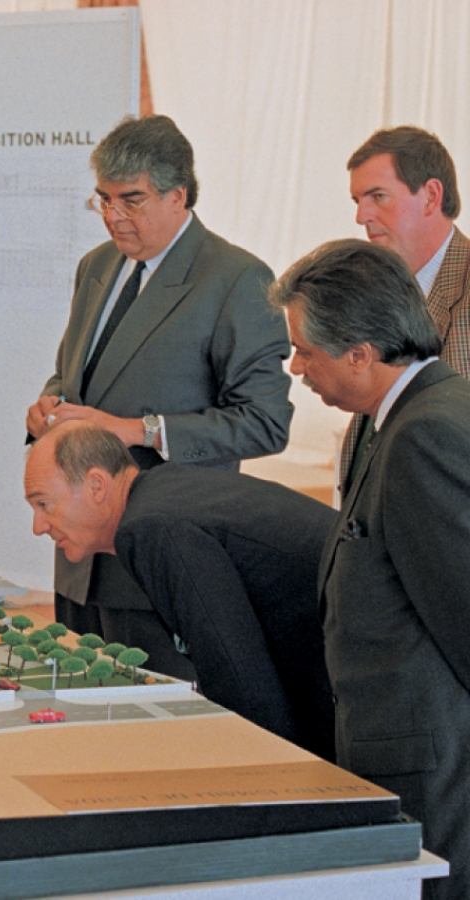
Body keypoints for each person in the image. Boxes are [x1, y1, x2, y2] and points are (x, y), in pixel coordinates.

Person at [25, 115, 293, 679]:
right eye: (102, 199)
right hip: (78, 558)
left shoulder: (237, 278)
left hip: (160, 558)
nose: (114, 216)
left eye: (132, 200)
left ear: (180, 195)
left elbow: (265, 422)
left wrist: (135, 429)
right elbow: (72, 376)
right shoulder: (95, 268)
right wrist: (49, 406)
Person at [272, 238, 470, 899]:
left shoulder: (426, 432)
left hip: (432, 771)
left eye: (306, 349)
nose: (295, 365)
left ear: (360, 352)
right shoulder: (399, 419)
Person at [23, 420, 335, 760]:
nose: (39, 527)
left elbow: (235, 670)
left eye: (43, 504)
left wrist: (272, 778)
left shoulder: (149, 527)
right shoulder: (160, 494)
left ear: (97, 485)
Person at [340, 126, 470, 492]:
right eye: (357, 201)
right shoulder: (377, 290)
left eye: (378, 196)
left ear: (431, 196)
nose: (362, 216)